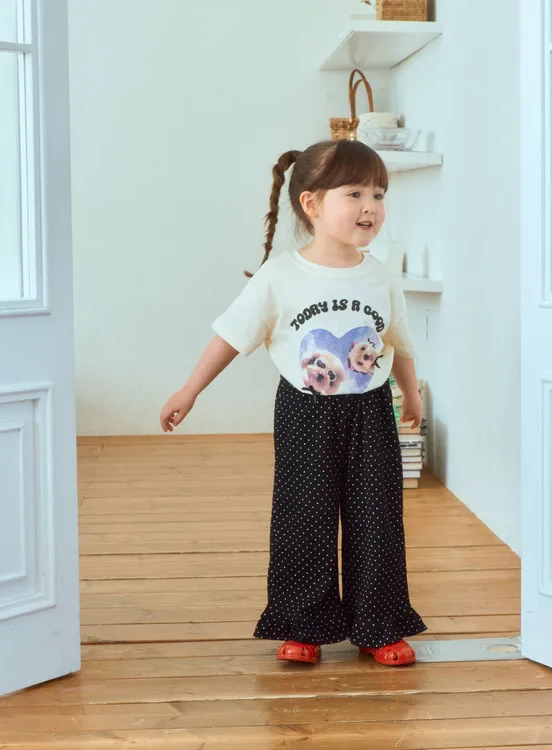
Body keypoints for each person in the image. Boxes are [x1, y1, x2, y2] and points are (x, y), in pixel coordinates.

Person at [160, 139, 428, 666]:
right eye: (355, 194)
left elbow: (399, 341)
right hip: (305, 414)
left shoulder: (380, 275)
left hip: (371, 412)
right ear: (312, 203)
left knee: (377, 520)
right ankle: (303, 623)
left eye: (378, 194)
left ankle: (378, 624)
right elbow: (230, 337)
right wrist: (189, 390)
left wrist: (412, 394)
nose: (371, 206)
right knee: (304, 518)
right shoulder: (280, 277)